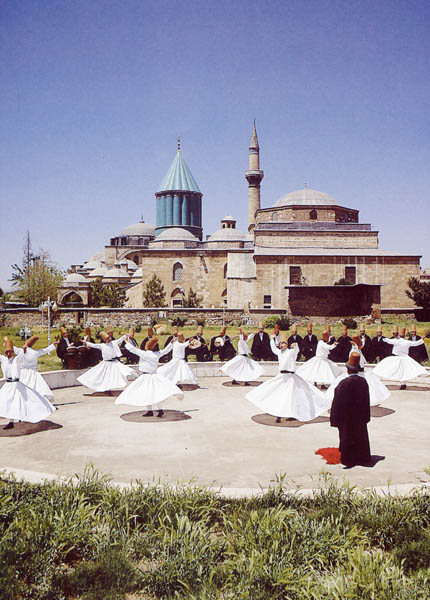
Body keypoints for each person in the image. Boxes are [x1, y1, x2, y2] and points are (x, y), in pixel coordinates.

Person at [245, 334, 328, 422]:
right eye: (280, 343)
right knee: (280, 395)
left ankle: (291, 414)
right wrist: (272, 340)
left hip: (291, 378)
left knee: (290, 397)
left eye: (283, 343)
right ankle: (279, 415)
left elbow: (296, 351)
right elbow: (273, 349)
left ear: (287, 344)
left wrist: (295, 346)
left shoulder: (290, 352)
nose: (281, 345)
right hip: (282, 377)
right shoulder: (279, 352)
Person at [115, 336, 183, 417]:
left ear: (147, 346)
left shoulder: (144, 353)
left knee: (147, 393)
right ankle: (160, 409)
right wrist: (171, 343)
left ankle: (150, 411)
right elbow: (166, 351)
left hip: (146, 377)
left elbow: (132, 349)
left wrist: (126, 341)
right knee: (156, 393)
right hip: (154, 376)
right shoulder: (156, 354)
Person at [0, 338, 56, 430]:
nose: (8, 354)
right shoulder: (4, 360)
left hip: (16, 385)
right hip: (8, 385)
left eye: (10, 352)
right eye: (7, 352)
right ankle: (11, 421)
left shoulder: (17, 359)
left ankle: (14, 421)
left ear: (13, 352)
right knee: (6, 402)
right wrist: (6, 341)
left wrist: (24, 350)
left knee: (22, 402)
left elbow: (22, 355)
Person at [330, 352, 372, 468]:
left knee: (347, 438)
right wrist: (366, 417)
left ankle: (349, 460)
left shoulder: (344, 384)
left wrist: (335, 419)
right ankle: (362, 458)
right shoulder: (363, 382)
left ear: (348, 370)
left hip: (346, 419)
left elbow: (337, 402)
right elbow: (366, 400)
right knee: (360, 437)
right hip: (359, 418)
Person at [326, 336, 390, 407]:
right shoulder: (354, 351)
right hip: (358, 372)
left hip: (361, 371)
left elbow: (362, 343)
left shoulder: (357, 349)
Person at [13, 335, 57, 401]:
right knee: (37, 386)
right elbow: (45, 350)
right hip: (33, 373)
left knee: (24, 387)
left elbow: (12, 348)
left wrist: (6, 341)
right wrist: (52, 345)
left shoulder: (20, 351)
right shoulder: (35, 352)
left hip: (23, 372)